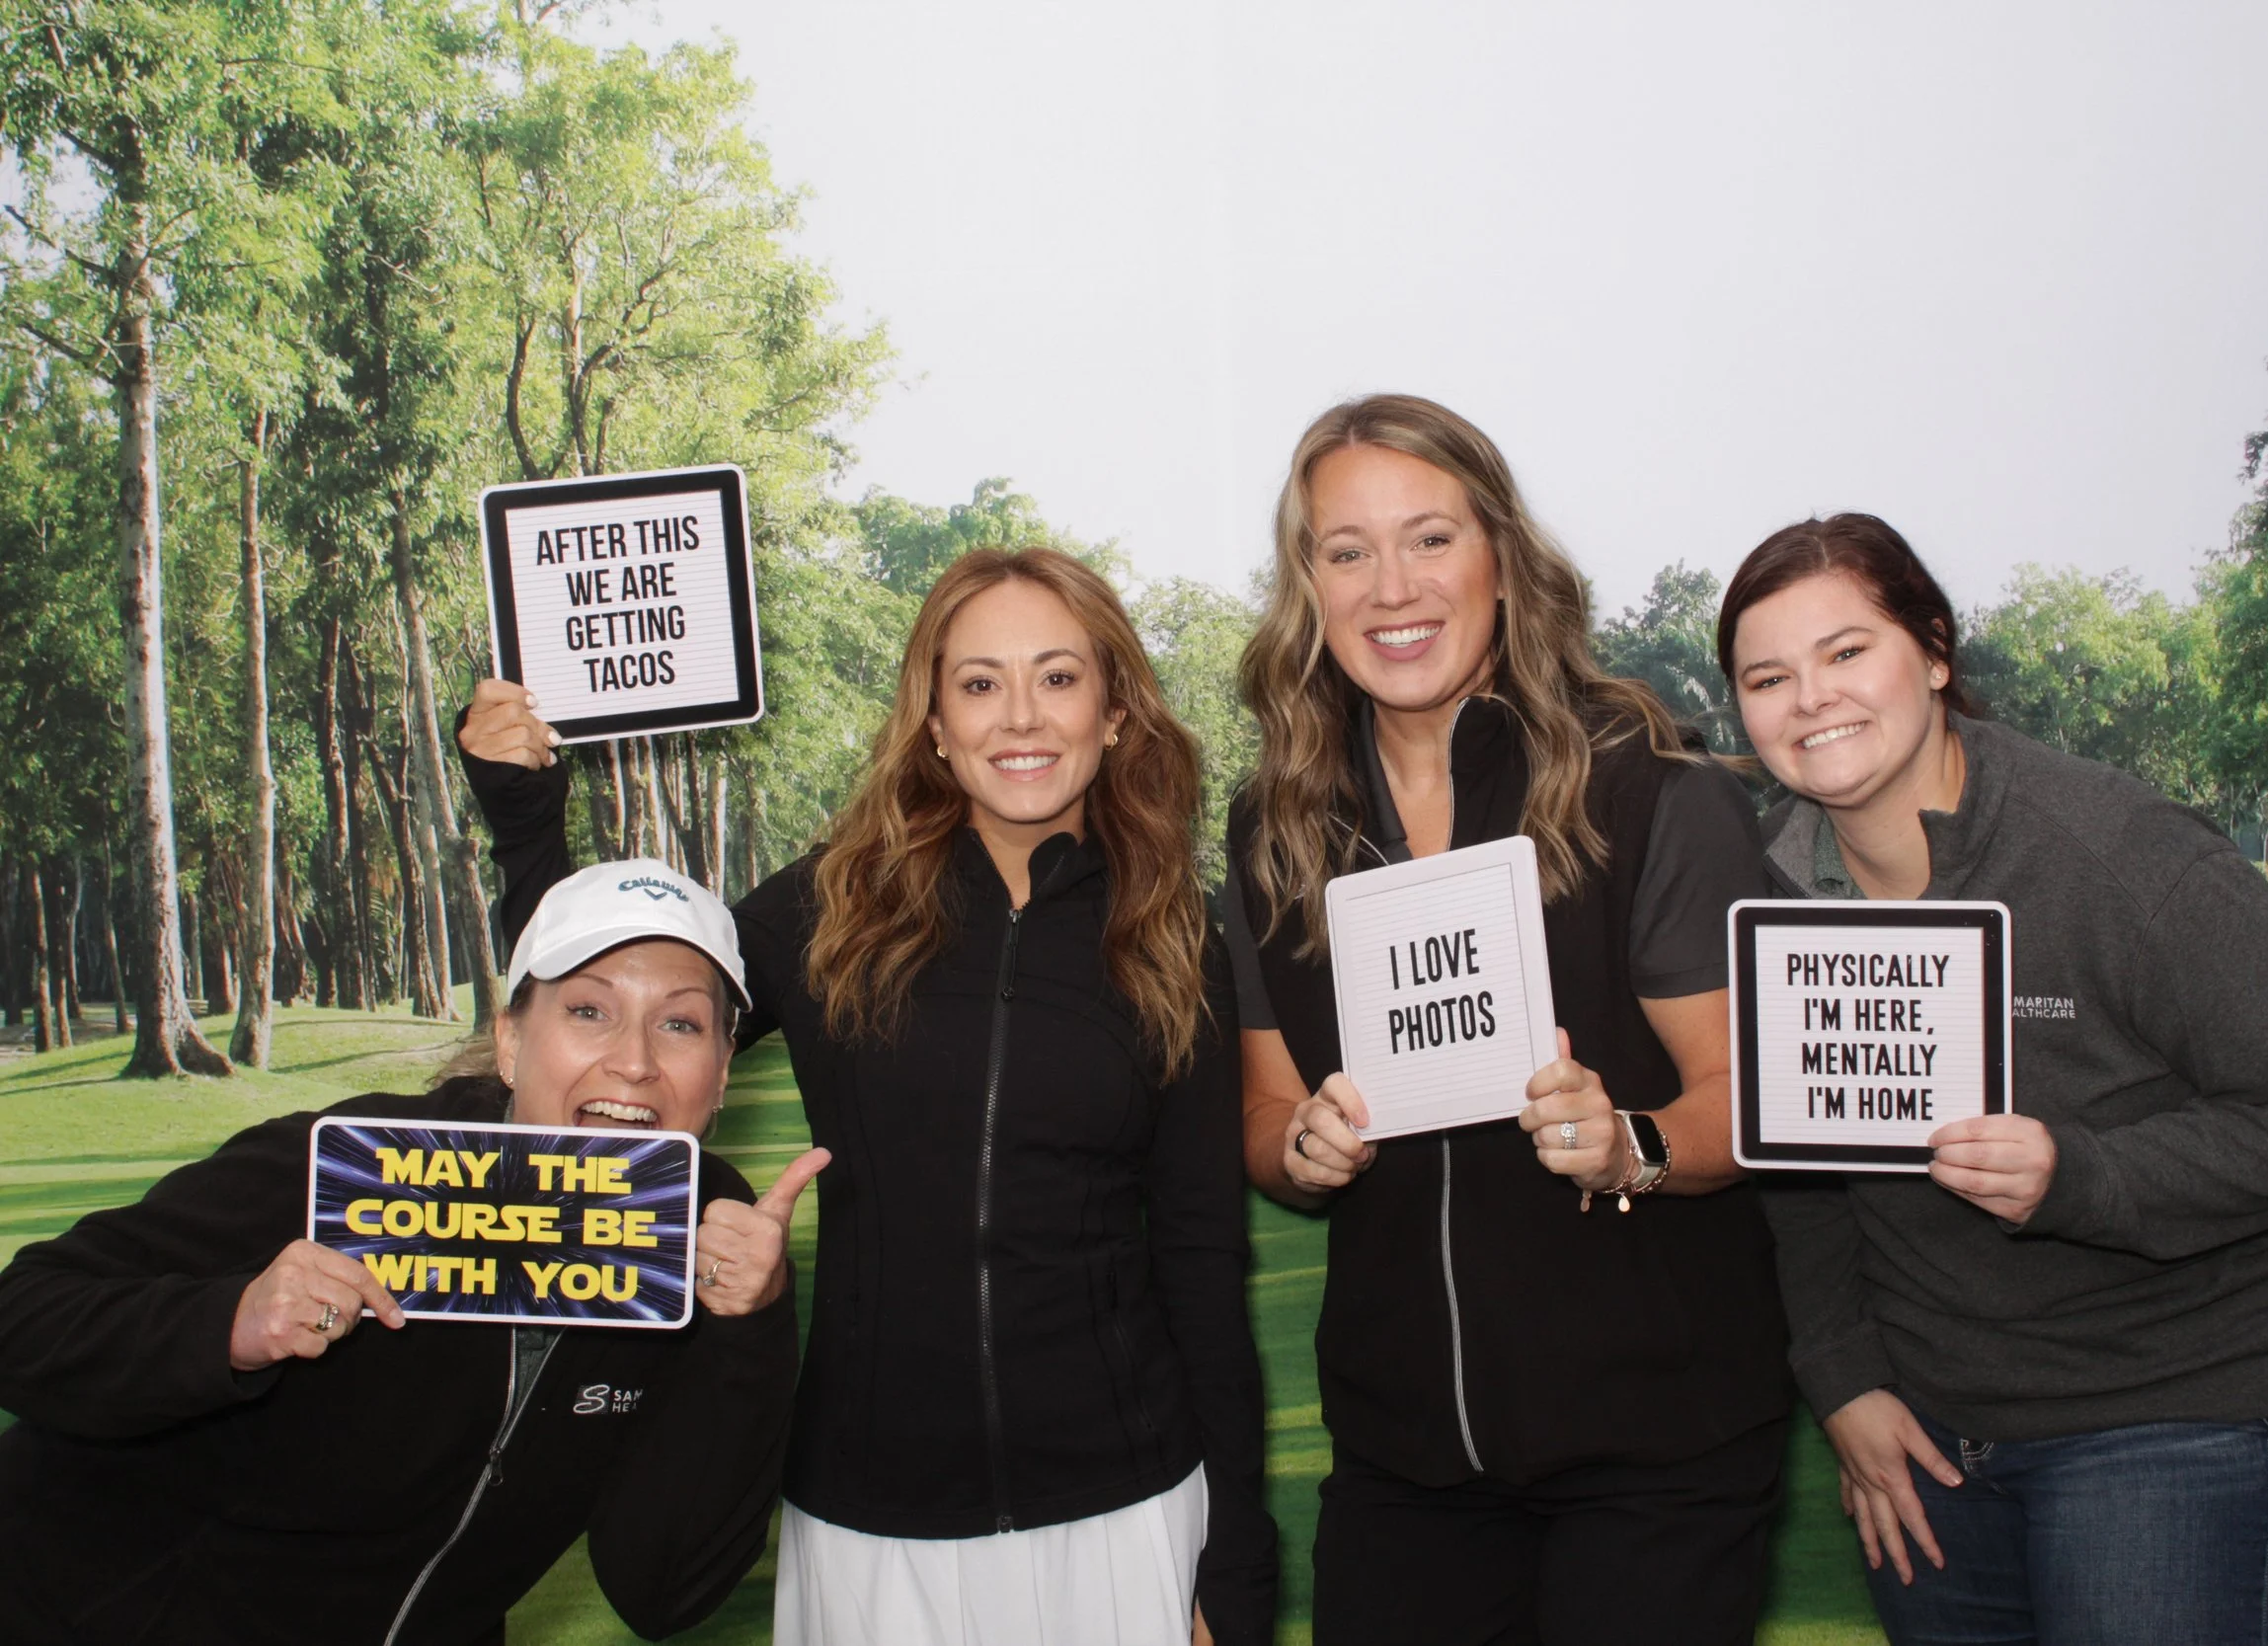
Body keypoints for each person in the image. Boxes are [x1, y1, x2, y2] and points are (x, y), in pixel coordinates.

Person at [459, 546, 1277, 1646]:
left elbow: (1200, 1254)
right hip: (868, 1521)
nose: (1020, 717)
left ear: (1117, 707)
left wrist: (1232, 1558)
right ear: (933, 719)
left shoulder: (1183, 933)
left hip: (1126, 1509)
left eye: (1059, 676)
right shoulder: (830, 900)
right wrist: (524, 818)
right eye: (979, 682)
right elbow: (612, 1025)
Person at [1719, 512, 2268, 1646]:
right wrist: (1842, 1379)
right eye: (1766, 676)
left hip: (2173, 1412)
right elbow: (1799, 1167)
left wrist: (2078, 1173)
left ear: (1933, 651)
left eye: (1846, 652)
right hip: (1927, 1437)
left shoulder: (2120, 852)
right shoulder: (1766, 895)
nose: (1810, 698)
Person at [1222, 393, 1793, 1645]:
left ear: (1500, 558)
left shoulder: (1648, 788)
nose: (1391, 586)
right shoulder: (1275, 825)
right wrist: (1301, 1147)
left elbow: (1744, 1101)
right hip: (1405, 1460)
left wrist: (1632, 1142)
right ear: (1306, 585)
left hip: (1658, 1454)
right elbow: (1264, 1111)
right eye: (1345, 549)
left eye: (1429, 537)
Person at [0, 857, 819, 1644]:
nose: (635, 1061)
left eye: (680, 1023)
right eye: (587, 1010)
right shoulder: (349, 1168)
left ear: (718, 1077)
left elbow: (661, 1590)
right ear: (509, 1043)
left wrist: (750, 1327)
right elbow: (23, 1316)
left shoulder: (712, 1246)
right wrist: (231, 1324)